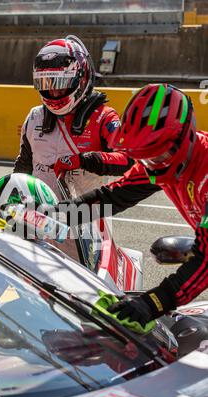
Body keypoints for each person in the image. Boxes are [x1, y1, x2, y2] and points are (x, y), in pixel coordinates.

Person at [54, 83, 208, 329]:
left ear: (183, 140)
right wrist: (56, 217)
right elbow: (114, 196)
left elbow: (207, 260)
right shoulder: (157, 163)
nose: (150, 166)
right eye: (143, 157)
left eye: (155, 156)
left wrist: (154, 303)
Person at [14, 35, 133, 199]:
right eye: (47, 84)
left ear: (82, 79)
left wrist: (84, 160)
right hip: (40, 215)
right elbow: (23, 166)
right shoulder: (35, 117)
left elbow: (128, 160)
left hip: (86, 217)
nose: (54, 92)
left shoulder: (103, 118)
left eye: (61, 85)